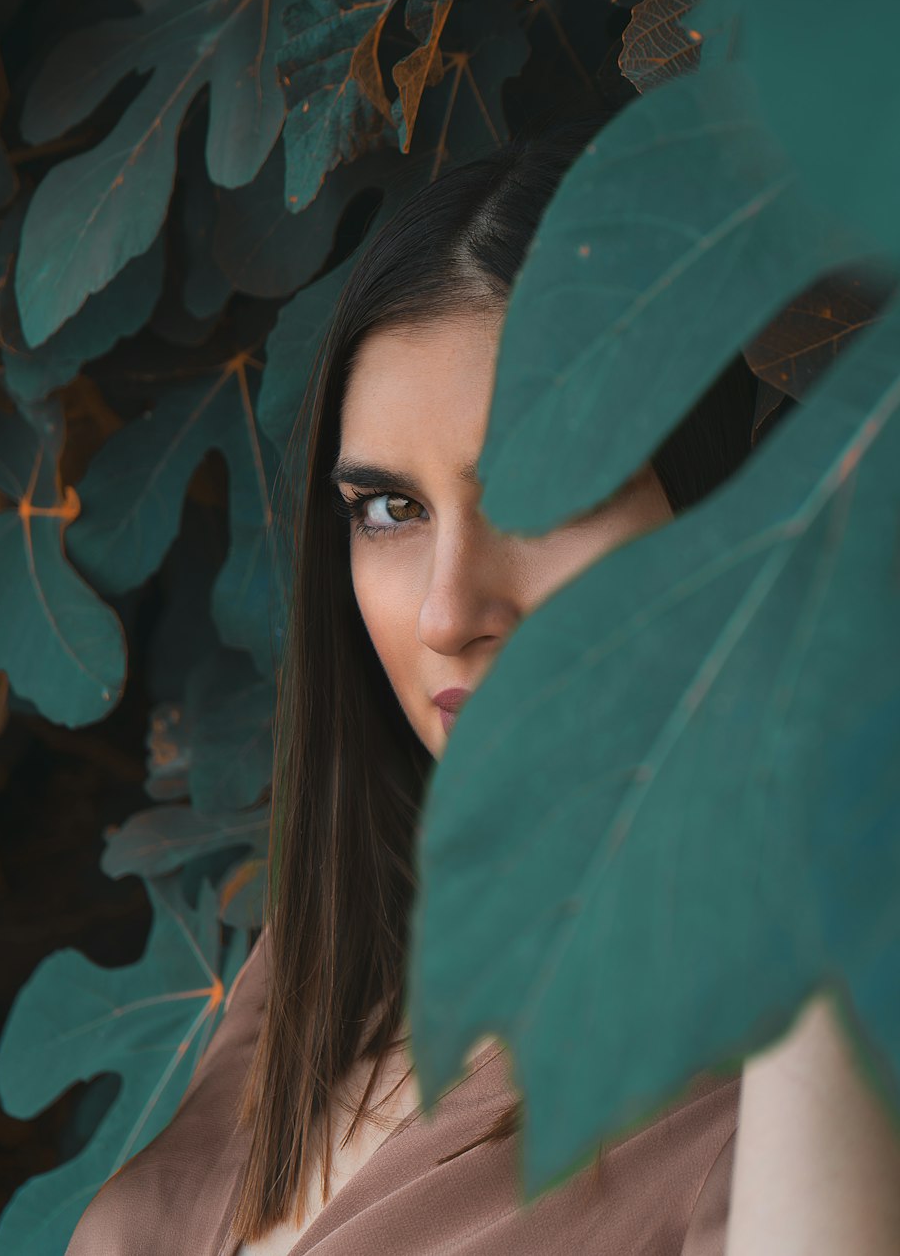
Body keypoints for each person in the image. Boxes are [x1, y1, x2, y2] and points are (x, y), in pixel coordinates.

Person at [64, 134, 900, 1256]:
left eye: (548, 489)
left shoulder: (784, 1058)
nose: (448, 611)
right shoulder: (318, 967)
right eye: (389, 511)